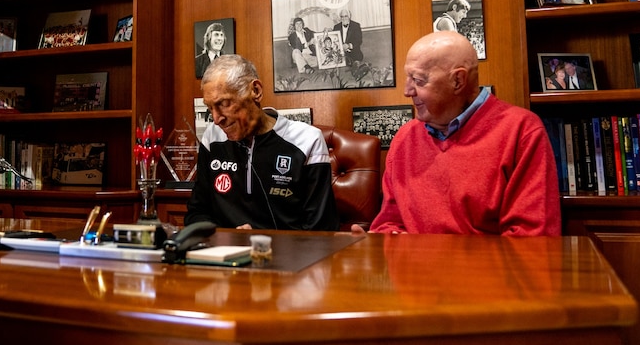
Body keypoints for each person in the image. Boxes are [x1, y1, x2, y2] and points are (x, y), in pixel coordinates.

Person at [356, 32, 561, 235]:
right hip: (413, 267)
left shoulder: (522, 132)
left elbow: (532, 240)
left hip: (486, 269)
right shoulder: (404, 138)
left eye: (418, 80)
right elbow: (390, 223)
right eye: (408, 78)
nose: (407, 91)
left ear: (458, 81)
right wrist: (378, 244)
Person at [185, 54, 339, 230]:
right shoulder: (212, 137)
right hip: (225, 253)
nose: (216, 118)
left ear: (256, 91)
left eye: (224, 104)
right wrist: (228, 237)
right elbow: (196, 213)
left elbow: (321, 230)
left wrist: (262, 244)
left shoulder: (307, 140)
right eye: (210, 108)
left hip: (288, 255)